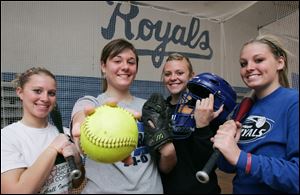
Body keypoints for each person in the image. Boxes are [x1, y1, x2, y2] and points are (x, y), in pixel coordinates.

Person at [70, 38, 176, 193]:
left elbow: (167, 168)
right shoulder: (92, 104)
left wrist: (169, 152)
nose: (125, 67)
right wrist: (80, 130)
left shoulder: (148, 108)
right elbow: (81, 117)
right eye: (117, 61)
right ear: (103, 66)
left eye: (131, 62)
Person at [211, 34, 299, 194]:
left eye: (258, 60)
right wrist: (225, 145)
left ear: (280, 62)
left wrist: (242, 157)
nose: (249, 68)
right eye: (243, 63)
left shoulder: (294, 103)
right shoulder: (242, 109)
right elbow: (229, 167)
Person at [1, 67, 84, 194]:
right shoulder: (7, 138)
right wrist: (53, 149)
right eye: (37, 91)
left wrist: (77, 161)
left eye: (51, 93)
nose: (45, 98)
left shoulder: (65, 133)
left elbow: (77, 182)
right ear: (20, 92)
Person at [159, 53, 224, 194]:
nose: (173, 78)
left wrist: (203, 125)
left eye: (180, 73)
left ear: (191, 76)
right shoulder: (159, 111)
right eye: (167, 74)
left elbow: (213, 161)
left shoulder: (206, 108)